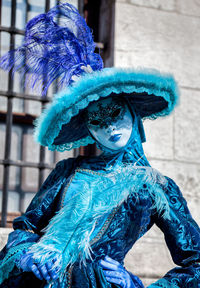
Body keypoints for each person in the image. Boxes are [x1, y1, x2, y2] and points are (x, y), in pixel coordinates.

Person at [0, 3, 199, 288]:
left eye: (115, 112)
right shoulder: (68, 171)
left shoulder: (156, 186)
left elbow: (197, 263)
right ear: (89, 129)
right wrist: (28, 256)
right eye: (98, 119)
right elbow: (26, 227)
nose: (110, 126)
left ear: (132, 111)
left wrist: (136, 286)